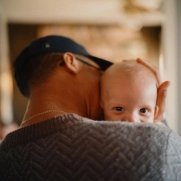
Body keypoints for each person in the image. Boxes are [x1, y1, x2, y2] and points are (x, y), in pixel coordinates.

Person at [1, 35, 180, 181]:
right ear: (70, 62)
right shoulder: (150, 142)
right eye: (99, 70)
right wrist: (157, 120)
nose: (104, 80)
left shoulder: (5, 158)